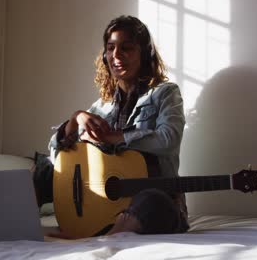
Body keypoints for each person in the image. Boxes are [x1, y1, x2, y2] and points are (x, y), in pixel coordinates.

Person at [38, 15, 189, 236]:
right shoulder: (101, 107)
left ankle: (105, 238)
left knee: (154, 200)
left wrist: (115, 138)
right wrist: (75, 119)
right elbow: (57, 157)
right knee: (42, 169)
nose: (116, 55)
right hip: (103, 209)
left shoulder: (165, 93)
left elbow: (169, 138)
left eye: (126, 48)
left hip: (154, 201)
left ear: (144, 54)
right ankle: (12, 227)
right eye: (110, 48)